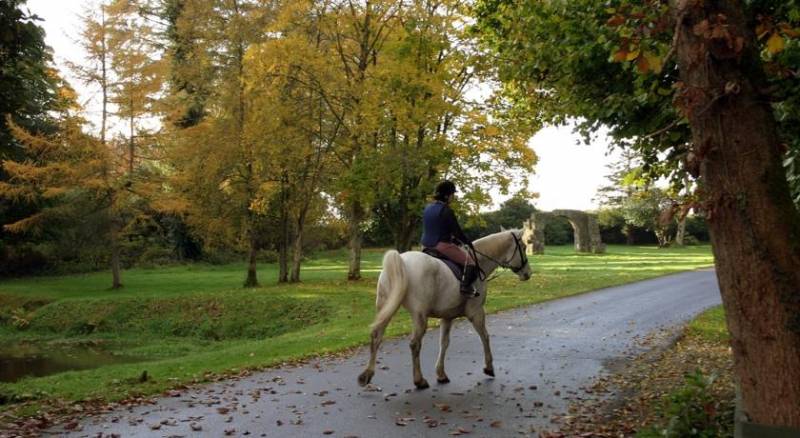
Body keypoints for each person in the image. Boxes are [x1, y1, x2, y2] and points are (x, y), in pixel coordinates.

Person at [420, 180, 479, 296]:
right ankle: (465, 287)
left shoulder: (427, 208)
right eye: (452, 195)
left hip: (425, 245)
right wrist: (467, 242)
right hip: (441, 245)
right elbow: (457, 232)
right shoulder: (446, 210)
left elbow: (437, 228)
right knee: (470, 263)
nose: (453, 197)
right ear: (447, 196)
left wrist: (455, 240)